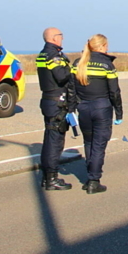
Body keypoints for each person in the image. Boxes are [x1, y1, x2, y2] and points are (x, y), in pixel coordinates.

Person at [72, 34, 123, 194]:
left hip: (83, 108)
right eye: (106, 45)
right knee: (99, 145)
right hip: (101, 108)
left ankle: (90, 176)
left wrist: (72, 108)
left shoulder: (78, 63)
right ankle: (94, 180)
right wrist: (119, 113)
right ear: (102, 46)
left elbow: (71, 89)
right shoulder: (106, 65)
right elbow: (114, 91)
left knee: (88, 142)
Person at [37, 27, 76, 191]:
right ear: (53, 38)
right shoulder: (53, 55)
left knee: (50, 139)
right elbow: (61, 76)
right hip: (56, 102)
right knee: (55, 141)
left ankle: (48, 176)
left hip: (49, 100)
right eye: (61, 35)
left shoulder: (43, 53)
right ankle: (51, 178)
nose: (62, 38)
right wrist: (74, 69)